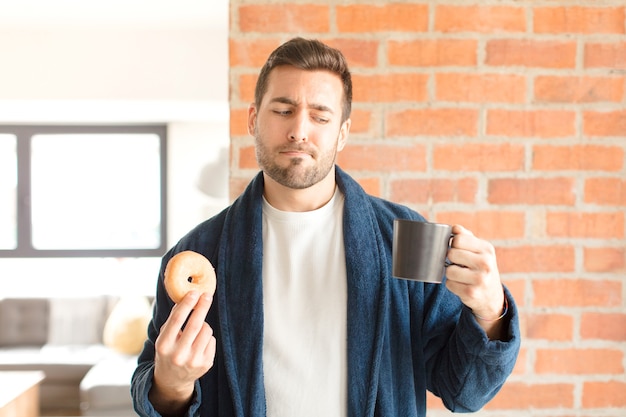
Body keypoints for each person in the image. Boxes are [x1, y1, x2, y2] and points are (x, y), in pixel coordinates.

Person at [131, 37, 520, 417]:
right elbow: (156, 392)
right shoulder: (201, 251)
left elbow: (463, 392)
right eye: (283, 110)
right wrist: (173, 384)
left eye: (320, 116)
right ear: (253, 119)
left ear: (343, 132)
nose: (300, 130)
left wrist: (489, 312)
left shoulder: (404, 238)